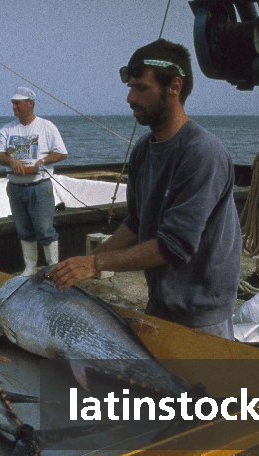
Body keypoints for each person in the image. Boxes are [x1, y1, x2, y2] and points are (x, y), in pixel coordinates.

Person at [48, 40, 241, 339]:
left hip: (203, 317)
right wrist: (83, 266)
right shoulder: (142, 151)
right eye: (130, 88)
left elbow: (174, 245)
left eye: (141, 88)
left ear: (174, 86)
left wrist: (94, 263)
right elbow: (137, 223)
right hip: (160, 305)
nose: (130, 98)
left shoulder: (203, 153)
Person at [0, 86, 68, 275]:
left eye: (18, 103)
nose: (14, 107)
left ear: (30, 103)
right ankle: (30, 266)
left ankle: (52, 267)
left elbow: (61, 153)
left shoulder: (46, 126)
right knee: (23, 229)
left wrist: (42, 161)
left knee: (45, 230)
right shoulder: (7, 129)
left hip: (39, 186)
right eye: (13, 103)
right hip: (15, 186)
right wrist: (11, 161)